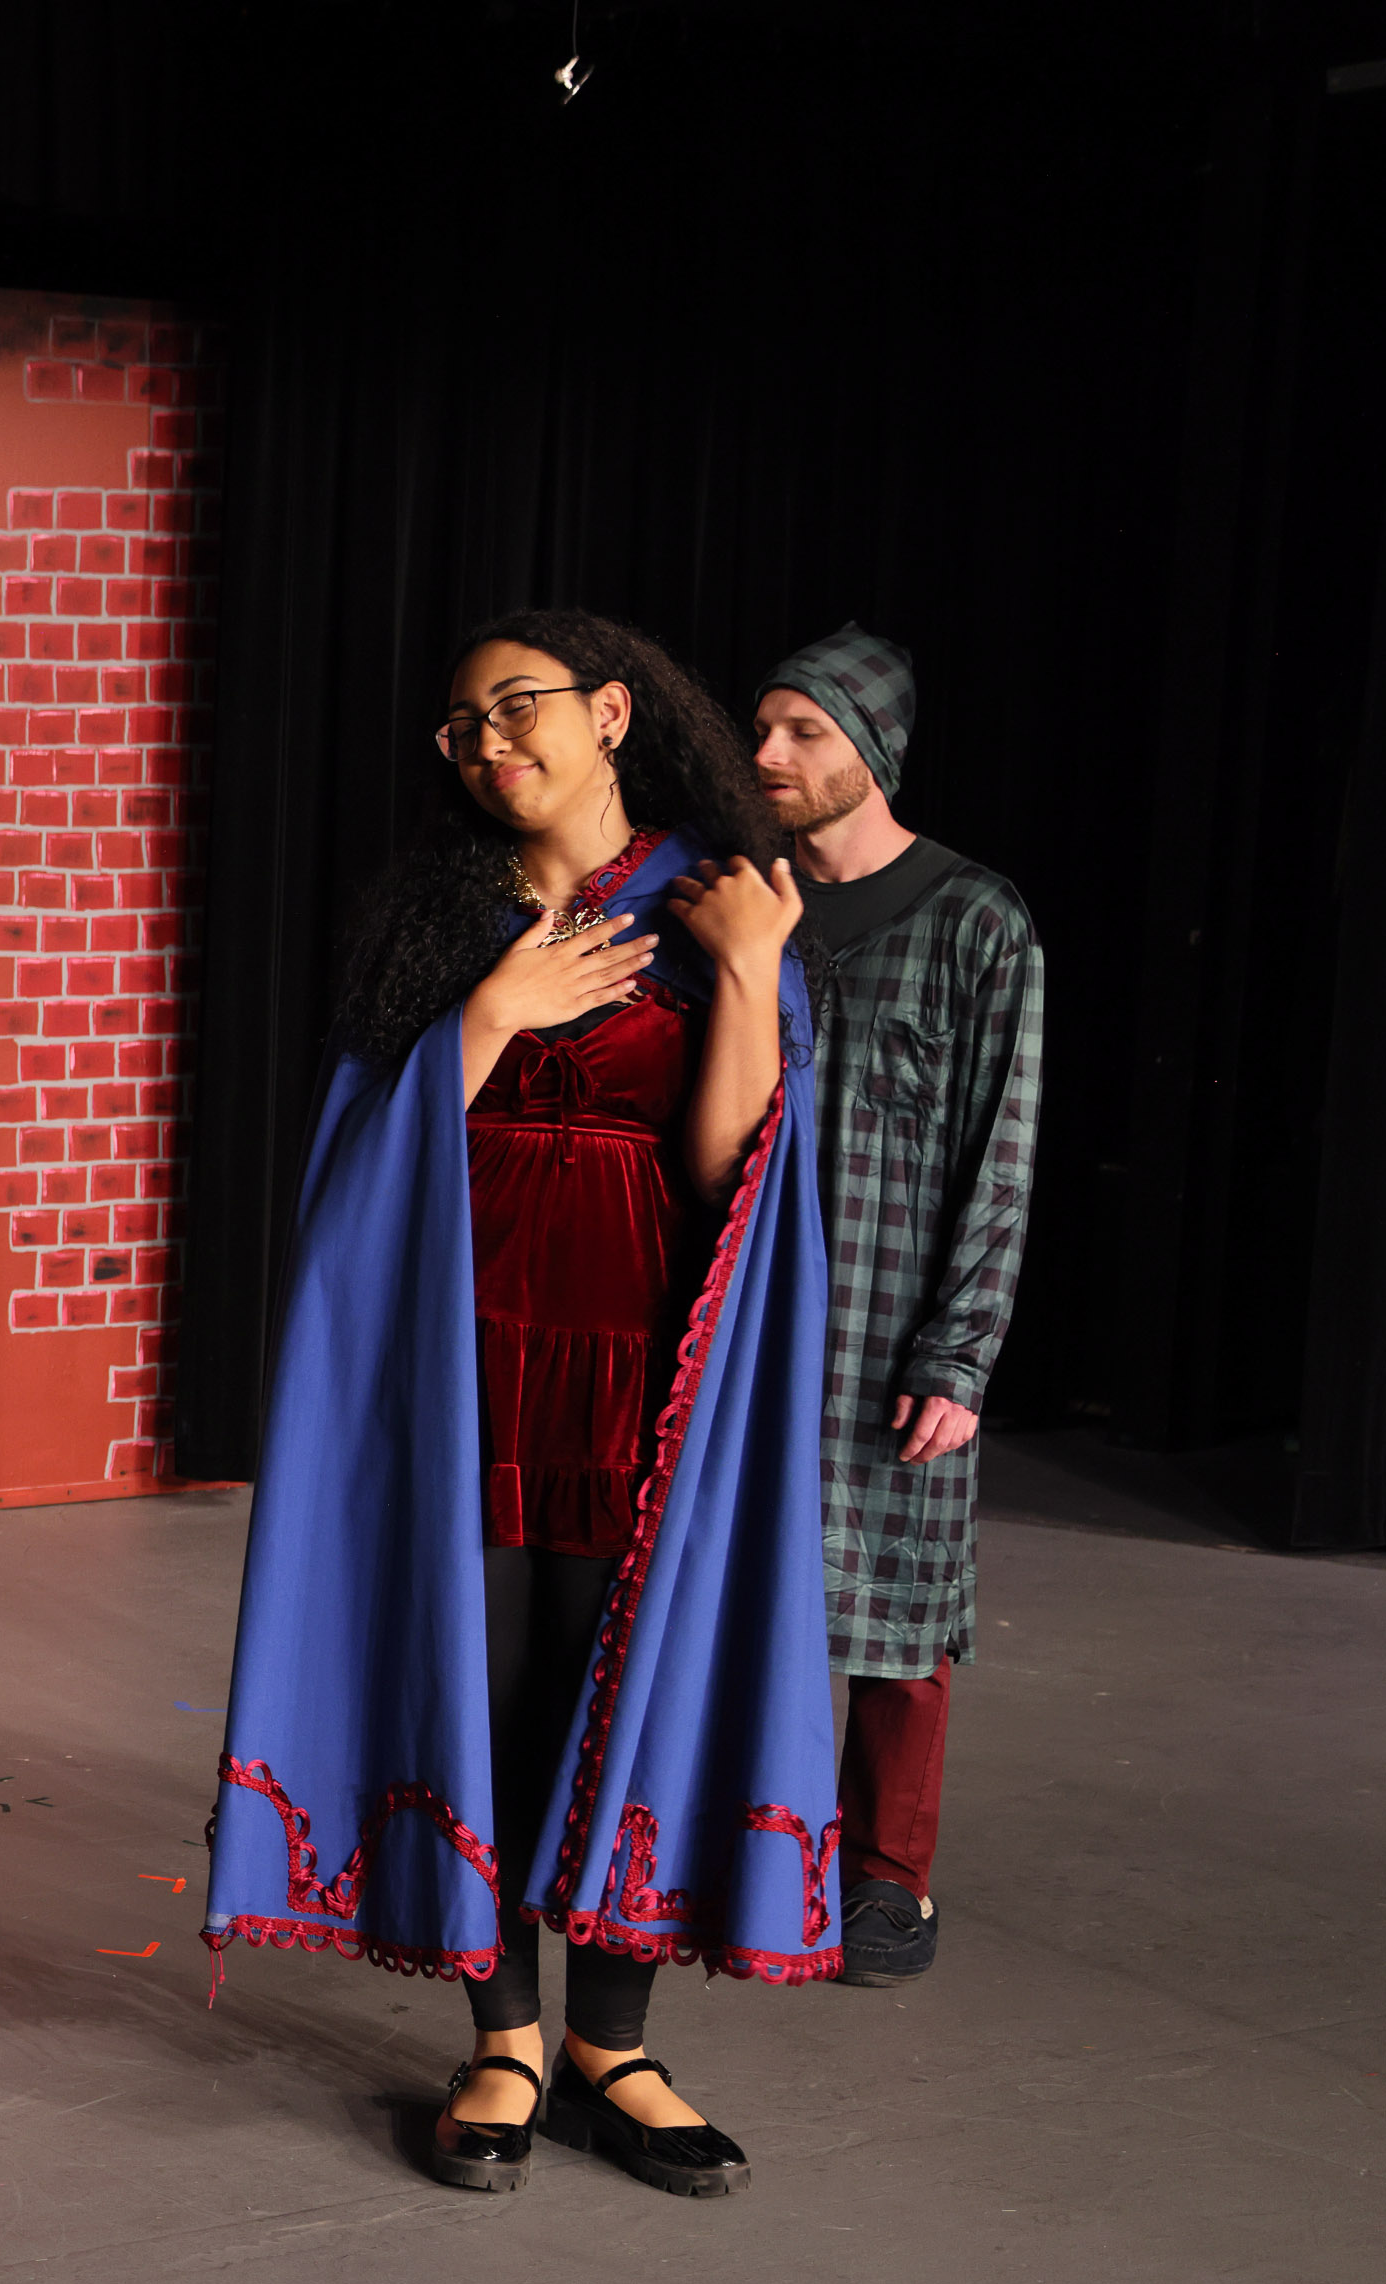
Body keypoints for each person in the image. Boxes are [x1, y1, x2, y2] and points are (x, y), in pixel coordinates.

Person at [200, 609, 843, 2203]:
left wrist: (750, 968)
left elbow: (732, 1169)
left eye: (516, 707)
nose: (489, 745)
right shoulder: (443, 918)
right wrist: (491, 1013)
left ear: (611, 711)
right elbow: (357, 1169)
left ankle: (615, 2043)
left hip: (640, 1366)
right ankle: (505, 2036)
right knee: (477, 1686)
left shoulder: (713, 897)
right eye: (463, 726)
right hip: (462, 1364)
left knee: (623, 1681)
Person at [746, 627, 1044, 1988]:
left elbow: (1002, 1147)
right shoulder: (744, 902)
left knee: (899, 1603)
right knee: (737, 1583)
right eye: (763, 727)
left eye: (802, 731)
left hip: (888, 1310)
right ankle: (751, 1842)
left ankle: (884, 1879)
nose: (768, 753)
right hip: (743, 1305)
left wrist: (959, 1350)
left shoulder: (975, 919)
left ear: (872, 750)